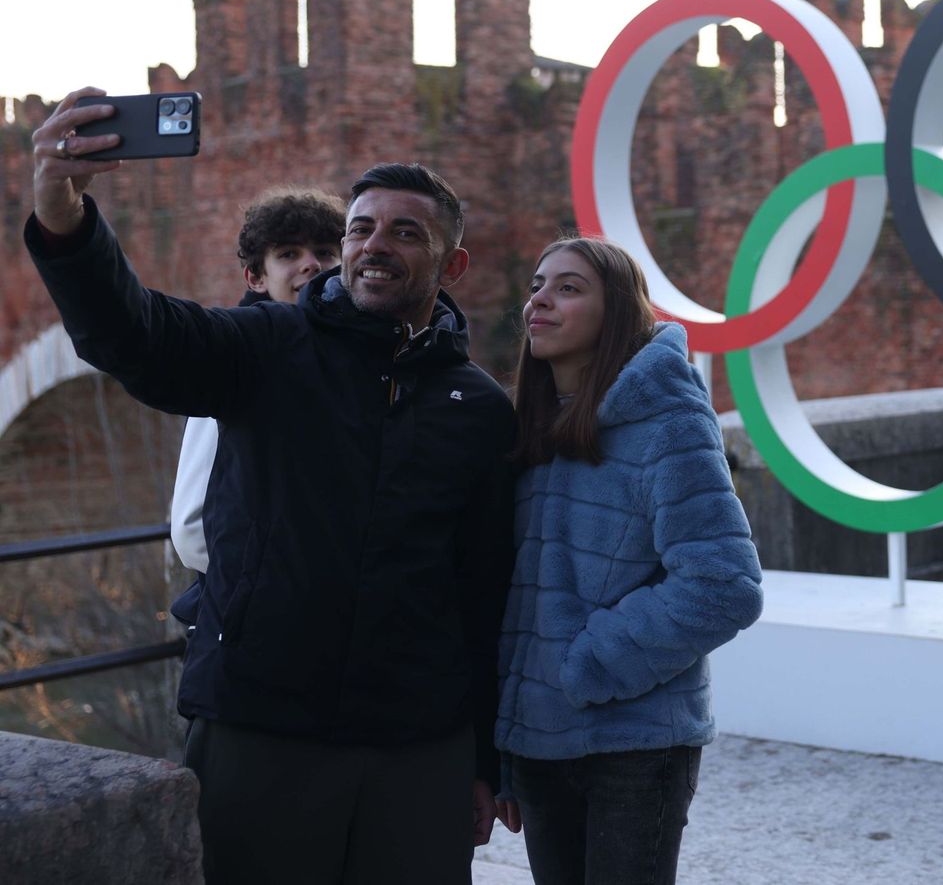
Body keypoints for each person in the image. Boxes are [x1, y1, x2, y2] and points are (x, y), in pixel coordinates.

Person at [26, 88, 514, 885]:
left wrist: (485, 759)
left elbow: (486, 588)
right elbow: (134, 333)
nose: (373, 245)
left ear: (450, 262)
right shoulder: (266, 346)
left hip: (417, 746)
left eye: (404, 231)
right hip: (262, 725)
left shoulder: (481, 408)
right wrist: (65, 220)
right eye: (360, 228)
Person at [494, 234, 763, 885]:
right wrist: (506, 741)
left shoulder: (668, 417)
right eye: (536, 284)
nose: (541, 301)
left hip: (635, 744)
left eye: (568, 287)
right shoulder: (529, 427)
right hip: (539, 745)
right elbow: (516, 600)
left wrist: (586, 662)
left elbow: (724, 585)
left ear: (615, 310)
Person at [168, 187, 346, 633]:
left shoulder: (357, 361)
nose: (311, 264)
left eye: (325, 252)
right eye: (289, 253)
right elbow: (191, 529)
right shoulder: (238, 360)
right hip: (256, 618)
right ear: (256, 278)